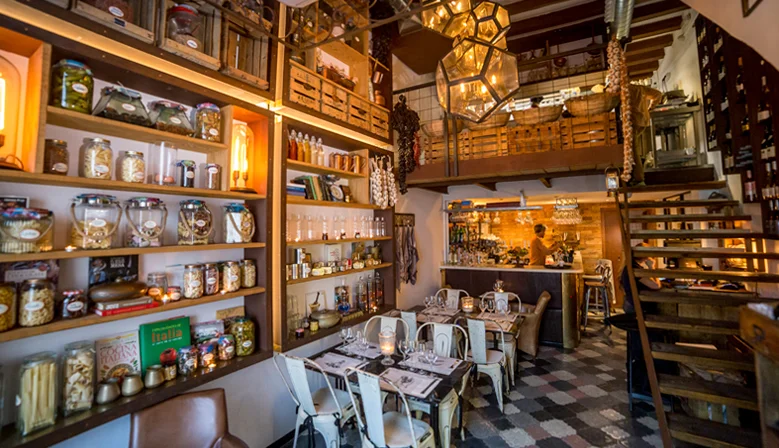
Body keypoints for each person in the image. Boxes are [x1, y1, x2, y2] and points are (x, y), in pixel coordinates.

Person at [620, 242, 662, 314]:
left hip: (630, 303)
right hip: (635, 306)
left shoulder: (631, 265)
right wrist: (652, 267)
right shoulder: (635, 268)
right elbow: (656, 286)